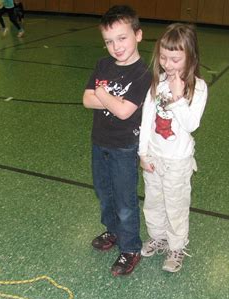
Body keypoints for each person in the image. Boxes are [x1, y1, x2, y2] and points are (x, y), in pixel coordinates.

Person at [83, 5, 151, 276]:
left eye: (122, 38)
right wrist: (105, 97)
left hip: (124, 146)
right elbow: (86, 100)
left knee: (124, 200)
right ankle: (112, 231)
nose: (116, 46)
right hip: (99, 141)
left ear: (138, 35)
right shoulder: (103, 64)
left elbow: (124, 112)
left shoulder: (143, 73)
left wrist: (101, 92)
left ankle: (131, 247)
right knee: (104, 192)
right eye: (109, 41)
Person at [138, 23, 208, 272]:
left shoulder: (198, 88)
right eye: (164, 57)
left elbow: (191, 124)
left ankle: (176, 246)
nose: (168, 64)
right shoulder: (158, 83)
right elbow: (147, 118)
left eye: (175, 59)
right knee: (154, 201)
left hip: (178, 160)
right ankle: (158, 237)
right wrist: (142, 152)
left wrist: (178, 98)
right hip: (154, 155)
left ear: (190, 58)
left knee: (175, 204)